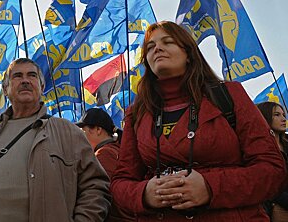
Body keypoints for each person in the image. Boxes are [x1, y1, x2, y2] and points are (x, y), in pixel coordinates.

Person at [110, 21, 286, 221]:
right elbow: (120, 183)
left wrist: (211, 187)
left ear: (188, 54)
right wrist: (144, 194)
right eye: (150, 47)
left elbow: (273, 171)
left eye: (168, 42)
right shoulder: (136, 113)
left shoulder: (229, 95)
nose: (157, 48)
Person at [0, 58, 111, 221]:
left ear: (42, 87)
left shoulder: (68, 132)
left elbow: (96, 187)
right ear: (5, 88)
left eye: (31, 75)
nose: (25, 80)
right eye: (17, 76)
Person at [77, 107, 134, 221]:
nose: (81, 137)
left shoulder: (103, 154)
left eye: (84, 131)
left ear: (98, 129)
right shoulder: (117, 149)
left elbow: (100, 195)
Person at [257, 101, 288, 221]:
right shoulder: (259, 149)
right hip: (274, 206)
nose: (283, 119)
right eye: (277, 115)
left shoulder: (286, 145)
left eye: (283, 115)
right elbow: (265, 183)